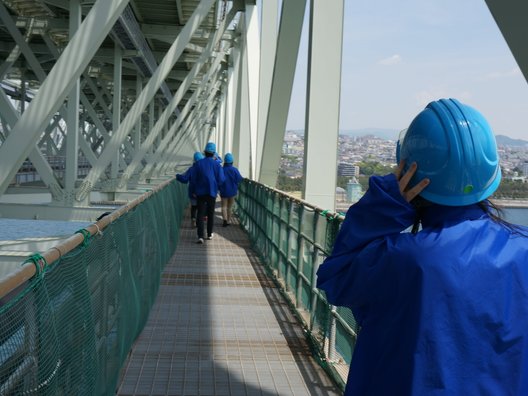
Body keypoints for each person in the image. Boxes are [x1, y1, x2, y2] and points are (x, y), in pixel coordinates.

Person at [316, 98, 528, 395]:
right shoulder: (523, 249)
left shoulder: (402, 258)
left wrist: (385, 203)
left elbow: (335, 278)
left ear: (410, 178)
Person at [190, 141, 225, 244]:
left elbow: (193, 179)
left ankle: (200, 236)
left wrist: (195, 190)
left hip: (200, 193)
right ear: (214, 153)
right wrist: (216, 186)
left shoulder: (199, 163)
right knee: (210, 214)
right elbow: (222, 179)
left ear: (204, 152)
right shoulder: (217, 165)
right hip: (212, 193)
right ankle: (209, 234)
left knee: (200, 214)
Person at [176, 151, 204, 227]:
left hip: (192, 192)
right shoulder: (204, 169)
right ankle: (199, 222)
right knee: (200, 208)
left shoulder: (191, 169)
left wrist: (178, 176)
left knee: (194, 206)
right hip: (202, 192)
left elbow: (185, 179)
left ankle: (193, 219)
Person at [219, 153, 243, 227]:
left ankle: (225, 220)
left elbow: (219, 179)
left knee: (224, 206)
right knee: (230, 207)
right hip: (232, 191)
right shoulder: (235, 170)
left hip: (223, 191)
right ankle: (229, 220)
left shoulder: (221, 170)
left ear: (225, 161)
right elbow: (240, 179)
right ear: (232, 161)